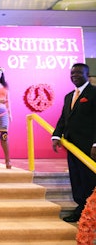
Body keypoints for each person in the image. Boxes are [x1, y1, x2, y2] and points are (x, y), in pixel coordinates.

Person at [52, 62, 96, 222]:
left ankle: (90, 210)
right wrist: (56, 136)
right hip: (72, 145)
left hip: (90, 147)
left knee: (89, 178)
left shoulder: (94, 93)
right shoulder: (69, 96)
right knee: (76, 177)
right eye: (72, 73)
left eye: (78, 73)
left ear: (87, 75)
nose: (74, 76)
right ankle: (82, 207)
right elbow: (64, 118)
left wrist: (95, 144)